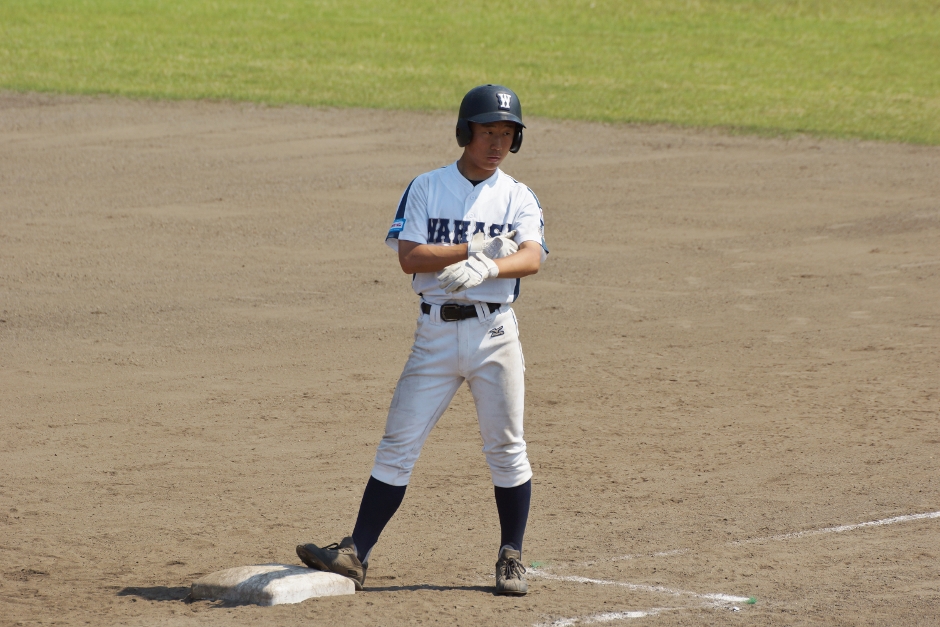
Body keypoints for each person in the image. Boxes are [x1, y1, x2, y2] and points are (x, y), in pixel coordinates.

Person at [296, 84, 548, 596]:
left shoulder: (519, 196)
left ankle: (511, 557)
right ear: (465, 132)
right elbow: (409, 255)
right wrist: (470, 250)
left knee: (506, 447)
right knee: (398, 444)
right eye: (488, 132)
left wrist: (490, 267)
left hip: (495, 333)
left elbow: (532, 257)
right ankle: (355, 555)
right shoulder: (428, 187)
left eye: (507, 134)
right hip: (434, 334)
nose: (497, 143)